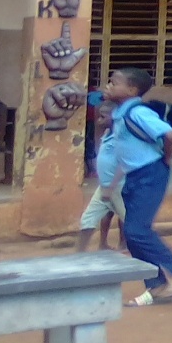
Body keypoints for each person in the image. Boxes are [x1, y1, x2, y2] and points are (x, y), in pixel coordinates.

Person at [102, 67, 172, 306]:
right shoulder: (119, 114)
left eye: (114, 83)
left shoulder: (137, 112)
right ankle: (157, 286)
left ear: (132, 90)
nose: (108, 86)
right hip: (134, 177)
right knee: (133, 235)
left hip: (151, 174)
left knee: (136, 230)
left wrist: (167, 158)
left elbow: (170, 136)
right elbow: (124, 153)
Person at [77, 100, 126, 251]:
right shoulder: (107, 133)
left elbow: (124, 163)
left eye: (103, 117)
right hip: (105, 187)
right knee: (88, 219)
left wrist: (111, 187)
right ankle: (78, 253)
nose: (98, 120)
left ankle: (153, 258)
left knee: (131, 224)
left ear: (115, 117)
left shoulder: (122, 136)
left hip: (118, 187)